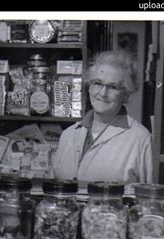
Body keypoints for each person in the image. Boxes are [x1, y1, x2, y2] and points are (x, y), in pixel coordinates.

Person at [53, 50, 153, 184]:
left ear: (125, 95)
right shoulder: (68, 135)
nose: (103, 93)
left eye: (112, 87)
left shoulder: (141, 139)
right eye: (97, 83)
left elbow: (149, 198)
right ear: (89, 87)